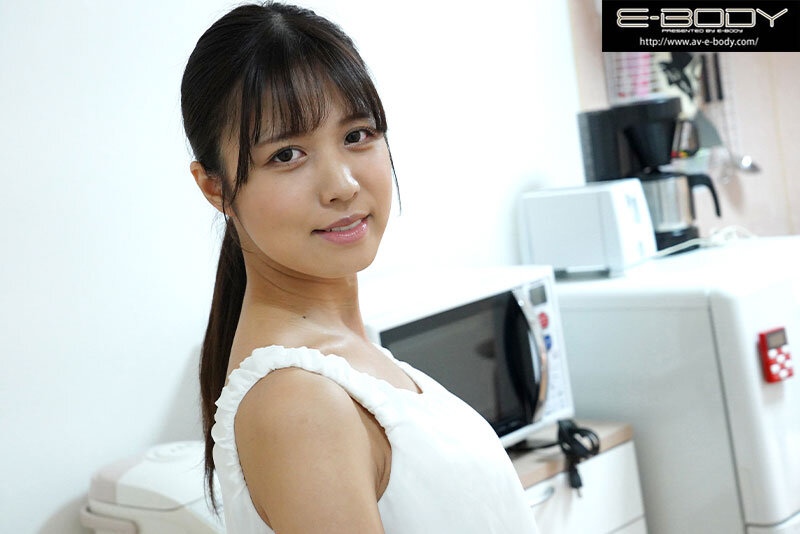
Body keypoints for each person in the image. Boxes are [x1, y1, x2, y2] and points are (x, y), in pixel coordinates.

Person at [182, 2, 541, 532]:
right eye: (286, 155)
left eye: (356, 136)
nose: (343, 185)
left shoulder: (343, 359)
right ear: (216, 188)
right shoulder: (298, 402)